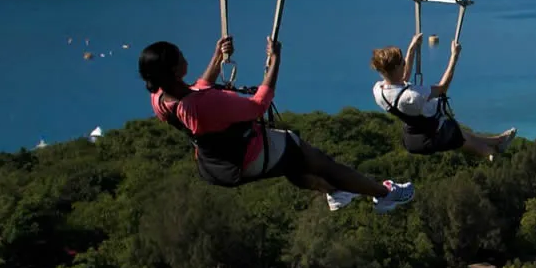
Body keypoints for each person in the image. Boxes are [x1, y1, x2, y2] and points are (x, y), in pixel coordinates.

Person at [139, 38, 414, 213]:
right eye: (180, 55)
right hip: (246, 157)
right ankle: (385, 193)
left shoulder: (160, 98)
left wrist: (217, 57)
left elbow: (199, 87)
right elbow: (258, 104)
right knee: (313, 157)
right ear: (174, 69)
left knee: (290, 164)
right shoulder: (202, 105)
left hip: (215, 165)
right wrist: (275, 61)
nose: (185, 57)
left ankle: (335, 192)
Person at [370, 35, 514, 160]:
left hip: (415, 135)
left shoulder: (379, 91)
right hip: (436, 132)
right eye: (403, 62)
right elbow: (442, 88)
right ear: (396, 68)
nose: (405, 63)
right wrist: (454, 57)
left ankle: (497, 140)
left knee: (463, 134)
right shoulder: (412, 96)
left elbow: (403, 77)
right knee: (466, 140)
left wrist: (412, 48)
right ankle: (492, 151)